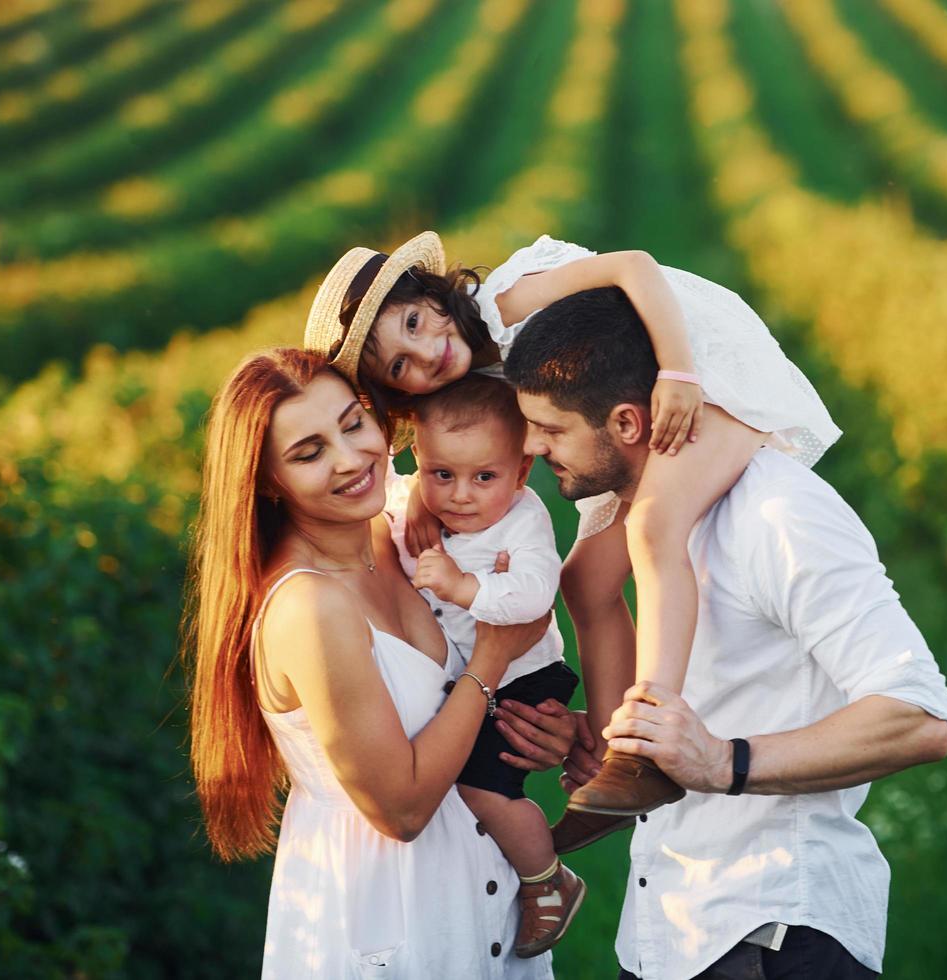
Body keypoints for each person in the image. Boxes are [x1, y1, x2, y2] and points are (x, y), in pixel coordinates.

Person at [303, 231, 842, 832]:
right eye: (399, 364)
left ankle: (648, 744)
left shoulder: (504, 304)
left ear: (431, 294)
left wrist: (678, 371)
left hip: (702, 371)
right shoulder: (464, 379)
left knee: (656, 527)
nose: (425, 353)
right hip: (624, 408)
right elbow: (448, 447)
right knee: (584, 580)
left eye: (412, 323)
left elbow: (635, 266)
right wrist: (425, 499)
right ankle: (613, 760)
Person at [504, 289, 947, 979]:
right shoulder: (639, 528)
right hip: (668, 934)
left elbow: (920, 715)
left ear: (627, 422)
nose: (532, 449)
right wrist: (604, 737)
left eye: (550, 429)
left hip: (776, 936)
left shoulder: (778, 513)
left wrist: (724, 761)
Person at [182, 347, 576, 978]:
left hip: (489, 902)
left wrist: (544, 730)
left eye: (352, 424)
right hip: (395, 924)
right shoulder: (311, 606)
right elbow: (402, 809)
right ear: (263, 480)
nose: (350, 459)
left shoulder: (390, 533)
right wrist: (492, 663)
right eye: (309, 453)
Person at [384, 373, 585, 958]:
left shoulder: (522, 519)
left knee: (480, 786)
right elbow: (392, 492)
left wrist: (465, 586)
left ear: (522, 473)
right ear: (417, 459)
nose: (461, 495)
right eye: (441, 474)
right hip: (482, 673)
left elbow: (533, 594)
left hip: (526, 670)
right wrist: (415, 498)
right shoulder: (420, 501)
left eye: (484, 477)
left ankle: (547, 879)